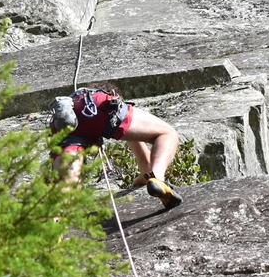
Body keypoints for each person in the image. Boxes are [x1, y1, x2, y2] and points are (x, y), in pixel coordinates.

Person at [50, 87, 184, 209]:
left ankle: (55, 220)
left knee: (68, 184)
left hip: (65, 119)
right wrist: (154, 177)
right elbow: (144, 157)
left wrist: (145, 177)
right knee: (167, 133)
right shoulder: (102, 95)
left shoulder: (73, 102)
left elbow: (145, 162)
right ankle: (159, 178)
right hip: (95, 105)